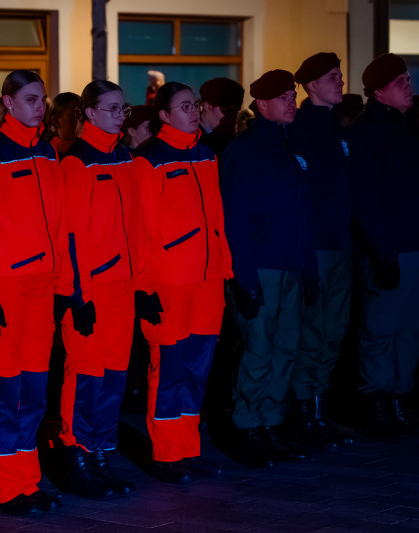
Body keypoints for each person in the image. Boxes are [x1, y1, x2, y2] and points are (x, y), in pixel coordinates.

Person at [0, 70, 64, 514]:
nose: (39, 106)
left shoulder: (47, 152)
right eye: (29, 99)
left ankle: (27, 476)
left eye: (41, 98)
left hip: (42, 289)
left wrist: (62, 283)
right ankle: (3, 485)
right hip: (5, 292)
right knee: (5, 390)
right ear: (7, 104)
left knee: (34, 389)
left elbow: (61, 224)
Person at [134, 82, 232, 483]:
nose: (194, 111)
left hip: (208, 282)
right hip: (171, 283)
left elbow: (217, 222)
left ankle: (187, 448)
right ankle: (167, 453)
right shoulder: (149, 160)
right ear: (163, 115)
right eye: (185, 106)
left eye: (196, 105)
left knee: (197, 370)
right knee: (169, 370)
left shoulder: (205, 154)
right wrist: (145, 286)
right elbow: (140, 229)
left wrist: (225, 270)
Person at [56, 80, 148, 499]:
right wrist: (76, 294)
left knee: (113, 377)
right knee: (86, 377)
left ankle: (102, 454)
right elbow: (70, 235)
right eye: (111, 108)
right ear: (89, 114)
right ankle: (77, 456)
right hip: (92, 291)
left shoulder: (124, 158)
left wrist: (142, 283)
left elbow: (136, 228)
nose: (119, 115)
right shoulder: (77, 163)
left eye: (122, 108)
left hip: (123, 288)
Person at [348, 53, 419, 436]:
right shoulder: (367, 133)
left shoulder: (410, 130)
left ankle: (398, 396)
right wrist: (383, 252)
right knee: (381, 328)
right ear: (378, 92)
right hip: (393, 248)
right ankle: (377, 398)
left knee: (413, 329)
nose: (409, 86)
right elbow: (367, 199)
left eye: (408, 79)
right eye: (400, 81)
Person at [222, 70, 315, 468]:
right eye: (284, 97)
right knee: (258, 350)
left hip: (290, 265)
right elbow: (235, 218)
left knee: (287, 347)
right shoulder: (245, 150)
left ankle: (271, 422)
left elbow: (302, 214)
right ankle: (248, 426)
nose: (293, 102)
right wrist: (245, 277)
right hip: (262, 266)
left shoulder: (288, 145)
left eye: (293, 96)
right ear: (261, 105)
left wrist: (308, 267)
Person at [287, 52, 354, 449]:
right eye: (332, 76)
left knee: (333, 331)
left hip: (340, 244)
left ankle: (317, 408)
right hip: (316, 247)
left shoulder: (336, 129)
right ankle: (303, 412)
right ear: (311, 85)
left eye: (340, 75)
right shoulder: (303, 130)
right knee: (312, 331)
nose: (340, 81)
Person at [198, 78, 244, 156]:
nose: (231, 118)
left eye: (236, 112)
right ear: (208, 106)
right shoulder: (189, 137)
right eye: (226, 111)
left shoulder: (231, 137)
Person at [47, 91, 83, 156]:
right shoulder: (46, 154)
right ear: (55, 121)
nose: (82, 119)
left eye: (83, 114)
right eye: (76, 114)